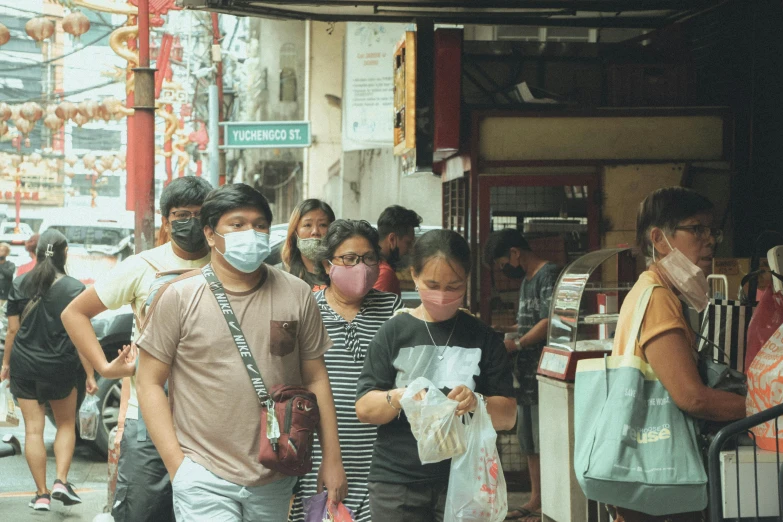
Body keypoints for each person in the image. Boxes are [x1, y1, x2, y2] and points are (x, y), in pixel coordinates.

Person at [135, 183, 347, 521]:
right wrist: (179, 467)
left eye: (259, 224)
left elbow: (316, 377)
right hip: (203, 473)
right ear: (209, 234)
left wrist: (332, 458)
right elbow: (147, 382)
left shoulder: (297, 293)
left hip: (275, 473)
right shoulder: (179, 296)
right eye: (237, 224)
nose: (251, 233)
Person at [61, 175, 213, 522]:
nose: (189, 222)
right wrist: (103, 366)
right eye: (180, 214)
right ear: (166, 220)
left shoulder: (228, 267)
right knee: (144, 512)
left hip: (213, 417)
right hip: (148, 417)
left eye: (198, 214)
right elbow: (75, 312)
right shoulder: (143, 266)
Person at [355, 229, 517, 522]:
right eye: (432, 284)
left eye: (453, 286)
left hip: (466, 478)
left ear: (467, 281)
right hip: (397, 482)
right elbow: (365, 409)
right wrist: (400, 396)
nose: (442, 295)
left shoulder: (483, 337)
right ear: (413, 275)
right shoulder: (393, 332)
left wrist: (476, 402)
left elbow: (508, 416)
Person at [612, 187, 745, 522]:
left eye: (712, 229)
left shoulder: (650, 290)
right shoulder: (657, 297)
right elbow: (692, 398)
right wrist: (762, 408)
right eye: (696, 229)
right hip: (659, 478)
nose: (710, 240)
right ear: (659, 239)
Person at [289, 219, 402, 522]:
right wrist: (328, 460)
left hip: (381, 459)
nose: (361, 267)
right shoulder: (307, 310)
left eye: (368, 259)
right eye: (349, 259)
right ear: (327, 264)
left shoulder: (395, 312)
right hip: (321, 459)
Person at [0, 230, 91, 511]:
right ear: (64, 253)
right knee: (65, 424)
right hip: (60, 366)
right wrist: (90, 373)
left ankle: (40, 495)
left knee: (34, 432)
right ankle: (61, 482)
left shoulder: (20, 283)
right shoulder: (75, 288)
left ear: (38, 253)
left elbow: (13, 330)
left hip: (24, 366)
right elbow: (81, 336)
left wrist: (5, 364)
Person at [483, 228, 560, 521]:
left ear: (515, 253)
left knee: (544, 437)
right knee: (528, 440)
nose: (506, 269)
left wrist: (516, 343)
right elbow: (527, 323)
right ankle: (536, 498)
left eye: (504, 263)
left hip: (545, 370)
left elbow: (550, 320)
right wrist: (505, 335)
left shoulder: (547, 275)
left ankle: (550, 498)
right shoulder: (527, 281)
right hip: (526, 374)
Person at [281, 198, 336, 291]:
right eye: (307, 225)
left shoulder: (341, 272)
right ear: (295, 231)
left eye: (322, 225)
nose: (315, 232)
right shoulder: (281, 275)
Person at [374, 205, 422, 296]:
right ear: (392, 239)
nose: (410, 250)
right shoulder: (384, 273)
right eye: (408, 243)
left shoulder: (373, 265)